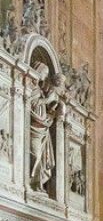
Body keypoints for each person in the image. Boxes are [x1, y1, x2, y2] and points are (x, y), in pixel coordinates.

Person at [29, 62, 61, 193]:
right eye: (45, 73)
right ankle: (32, 183)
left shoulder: (40, 90)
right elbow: (30, 104)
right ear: (38, 71)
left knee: (41, 159)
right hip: (34, 128)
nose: (46, 76)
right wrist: (46, 101)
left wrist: (51, 112)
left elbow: (43, 108)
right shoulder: (32, 88)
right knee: (36, 156)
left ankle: (39, 185)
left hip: (43, 128)